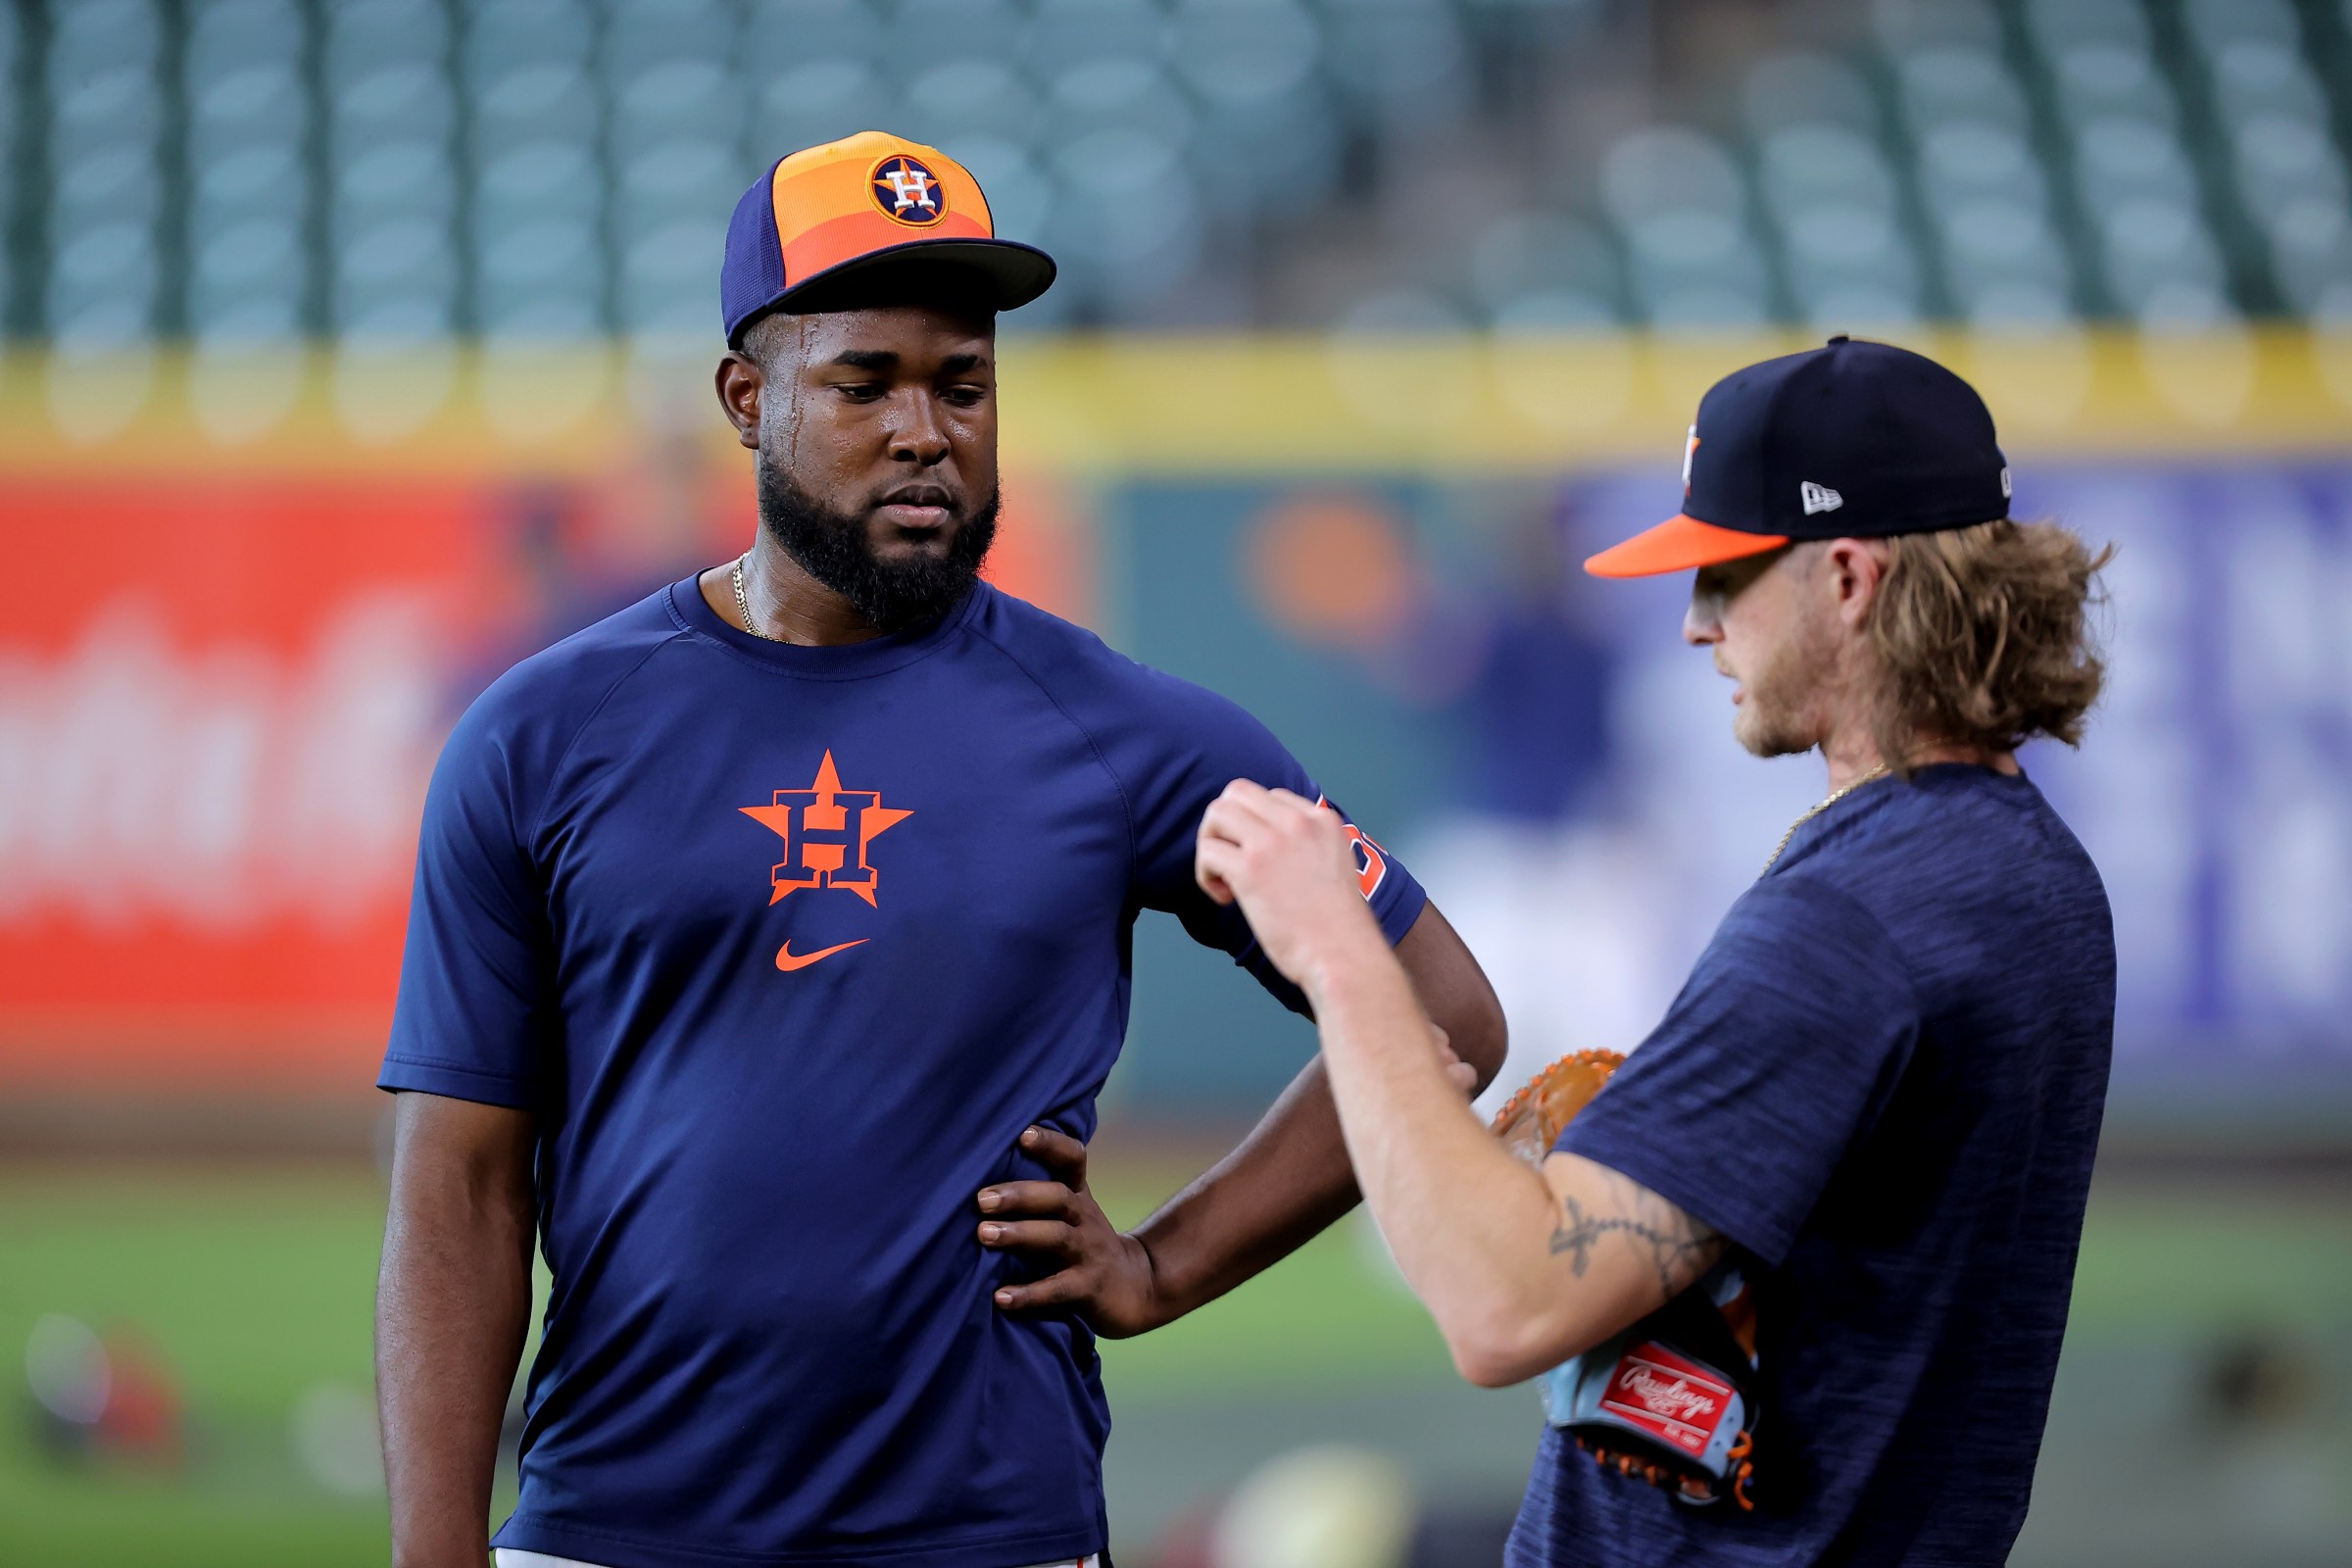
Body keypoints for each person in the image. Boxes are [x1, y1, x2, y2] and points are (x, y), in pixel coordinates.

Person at [372, 131, 1505, 1568]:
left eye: (963, 382)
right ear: (748, 398)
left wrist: (1166, 1261)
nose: (927, 429)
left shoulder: (1120, 732)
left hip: (989, 1535)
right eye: (865, 383)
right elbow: (459, 1185)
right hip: (615, 1530)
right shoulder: (540, 735)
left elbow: (1445, 1015)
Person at [1189, 337, 2116, 1565]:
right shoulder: (2033, 872)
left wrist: (1340, 952)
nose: (1696, 622)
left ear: (1847, 577)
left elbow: (1504, 1307)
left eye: (1728, 576)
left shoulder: (1855, 918)